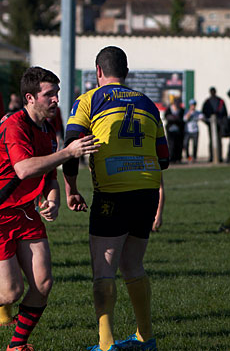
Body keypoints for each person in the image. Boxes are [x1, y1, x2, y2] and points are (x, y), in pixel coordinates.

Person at [63, 46, 170, 351]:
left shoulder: (89, 100)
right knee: (133, 265)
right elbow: (164, 158)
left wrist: (71, 187)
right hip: (148, 191)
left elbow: (72, 148)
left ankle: (106, 344)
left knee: (104, 267)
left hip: (112, 193)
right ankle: (145, 337)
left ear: (98, 71)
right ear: (126, 72)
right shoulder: (148, 103)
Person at [0, 67, 98, 351]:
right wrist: (68, 152)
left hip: (27, 214)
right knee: (10, 292)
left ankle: (17, 346)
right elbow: (23, 168)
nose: (56, 99)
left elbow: (48, 177)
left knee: (42, 283)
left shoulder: (47, 128)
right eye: (49, 94)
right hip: (2, 214)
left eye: (57, 93)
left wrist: (53, 201)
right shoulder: (14, 125)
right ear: (30, 98)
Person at [202, 87, 228, 162]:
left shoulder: (220, 101)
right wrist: (208, 122)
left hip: (219, 124)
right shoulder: (207, 102)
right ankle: (212, 157)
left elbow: (224, 113)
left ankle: (219, 157)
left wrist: (222, 122)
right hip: (211, 124)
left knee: (219, 141)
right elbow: (204, 113)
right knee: (211, 140)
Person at [164, 97, 184, 163]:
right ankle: (172, 158)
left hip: (179, 130)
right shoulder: (169, 109)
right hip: (170, 129)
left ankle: (178, 158)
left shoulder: (181, 110)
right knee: (171, 144)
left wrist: (177, 119)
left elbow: (182, 119)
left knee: (179, 144)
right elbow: (166, 116)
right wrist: (172, 118)